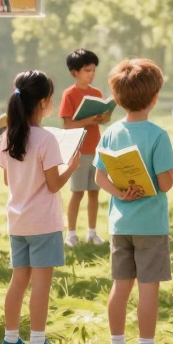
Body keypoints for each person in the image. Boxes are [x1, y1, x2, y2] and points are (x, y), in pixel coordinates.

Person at [94, 59, 173, 344]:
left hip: (120, 225)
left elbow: (100, 177)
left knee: (120, 287)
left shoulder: (111, 132)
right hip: (151, 227)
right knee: (148, 289)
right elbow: (164, 185)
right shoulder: (158, 135)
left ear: (117, 98)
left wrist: (120, 194)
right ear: (154, 98)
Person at [0, 70, 82, 344]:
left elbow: (8, 180)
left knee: (18, 281)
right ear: (44, 102)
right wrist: (71, 167)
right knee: (41, 285)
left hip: (17, 221)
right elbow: (54, 184)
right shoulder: (46, 139)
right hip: (44, 223)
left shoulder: (8, 136)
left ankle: (10, 340)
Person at [60, 48, 111, 247]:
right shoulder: (69, 94)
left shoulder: (97, 93)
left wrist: (103, 117)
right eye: (87, 70)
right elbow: (67, 125)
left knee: (94, 192)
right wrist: (89, 120)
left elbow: (101, 120)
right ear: (75, 72)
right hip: (78, 152)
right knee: (77, 192)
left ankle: (92, 233)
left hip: (95, 149)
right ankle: (71, 234)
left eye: (93, 70)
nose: (91, 74)